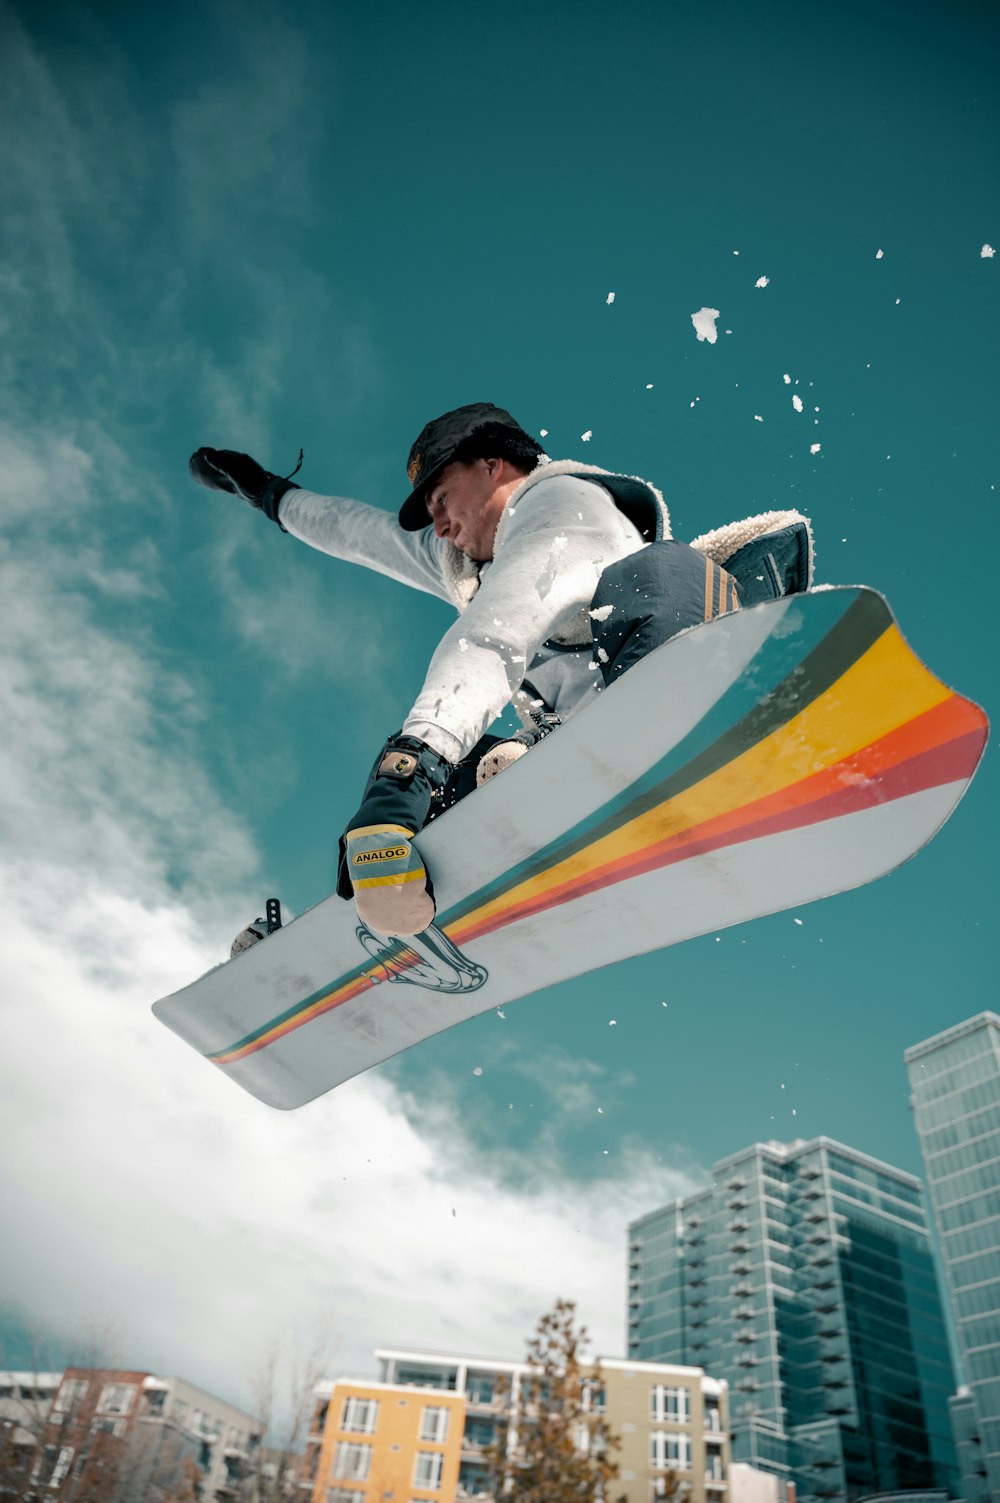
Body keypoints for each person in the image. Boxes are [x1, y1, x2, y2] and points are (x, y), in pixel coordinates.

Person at [190, 402, 812, 944]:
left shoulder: (564, 506)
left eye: (441, 500)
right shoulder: (462, 556)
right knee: (454, 774)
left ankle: (656, 752)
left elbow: (492, 636)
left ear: (493, 466)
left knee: (662, 568)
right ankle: (389, 911)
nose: (438, 524)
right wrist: (267, 493)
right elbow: (361, 534)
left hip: (674, 694)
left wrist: (404, 774)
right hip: (569, 757)